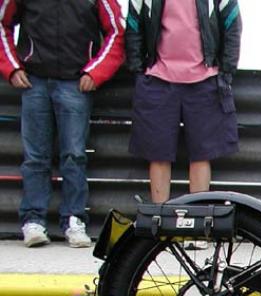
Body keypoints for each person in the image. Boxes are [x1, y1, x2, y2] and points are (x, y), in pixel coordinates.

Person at [0, 0, 125, 248]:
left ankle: (74, 220)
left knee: (74, 155)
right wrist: (11, 68)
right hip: (34, 81)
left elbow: (117, 31)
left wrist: (96, 72)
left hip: (75, 82)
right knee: (35, 157)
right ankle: (33, 221)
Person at [125, 0, 242, 207]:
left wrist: (226, 72)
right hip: (158, 79)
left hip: (205, 79)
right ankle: (160, 217)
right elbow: (133, 27)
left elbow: (233, 25)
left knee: (202, 154)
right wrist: (138, 70)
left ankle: (197, 217)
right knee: (157, 154)